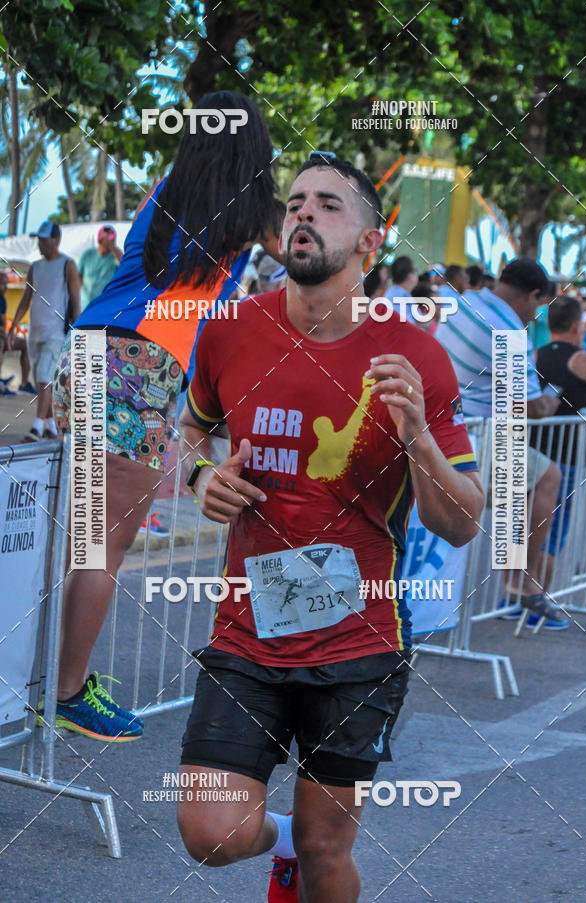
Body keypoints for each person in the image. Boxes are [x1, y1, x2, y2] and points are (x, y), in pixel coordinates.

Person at [176, 154, 483, 903]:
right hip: (245, 630)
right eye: (296, 201)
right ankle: (278, 842)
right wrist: (199, 476)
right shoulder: (228, 333)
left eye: (329, 205)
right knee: (210, 832)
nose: (304, 214)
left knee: (326, 844)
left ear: (371, 245)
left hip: (359, 640)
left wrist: (419, 441)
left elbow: (464, 519)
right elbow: (186, 429)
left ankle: (302, 851)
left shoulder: (414, 356)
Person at [46, 90, 283, 742]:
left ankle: (43, 673)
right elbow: (308, 254)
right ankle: (66, 692)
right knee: (104, 544)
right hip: (140, 365)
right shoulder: (255, 210)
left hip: (88, 350)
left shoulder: (166, 189)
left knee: (75, 536)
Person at [435, 258, 567, 627]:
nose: (536, 316)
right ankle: (521, 586)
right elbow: (528, 405)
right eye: (539, 307)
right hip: (473, 440)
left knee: (522, 485)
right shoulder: (508, 329)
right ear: (534, 295)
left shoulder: (462, 302)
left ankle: (515, 580)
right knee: (547, 478)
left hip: (440, 427)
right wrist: (549, 401)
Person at [532, 295, 586, 588]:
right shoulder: (583, 361)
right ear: (577, 325)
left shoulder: (533, 356)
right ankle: (535, 604)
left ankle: (510, 601)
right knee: (553, 532)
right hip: (565, 457)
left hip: (531, 454)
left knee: (525, 529)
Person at [7, 223, 80, 439]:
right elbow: (25, 299)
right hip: (35, 332)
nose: (40, 243)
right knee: (42, 378)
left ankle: (37, 427)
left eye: (44, 239)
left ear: (56, 240)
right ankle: (50, 425)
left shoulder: (68, 265)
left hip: (56, 332)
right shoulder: (35, 267)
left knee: (44, 376)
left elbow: (75, 301)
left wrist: (77, 331)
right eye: (39, 239)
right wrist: (13, 327)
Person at [78, 225, 123, 311]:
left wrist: (112, 247)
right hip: (87, 307)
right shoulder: (87, 255)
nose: (111, 240)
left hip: (107, 308)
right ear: (100, 239)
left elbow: (125, 265)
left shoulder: (115, 257)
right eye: (108, 237)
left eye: (113, 237)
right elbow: (78, 278)